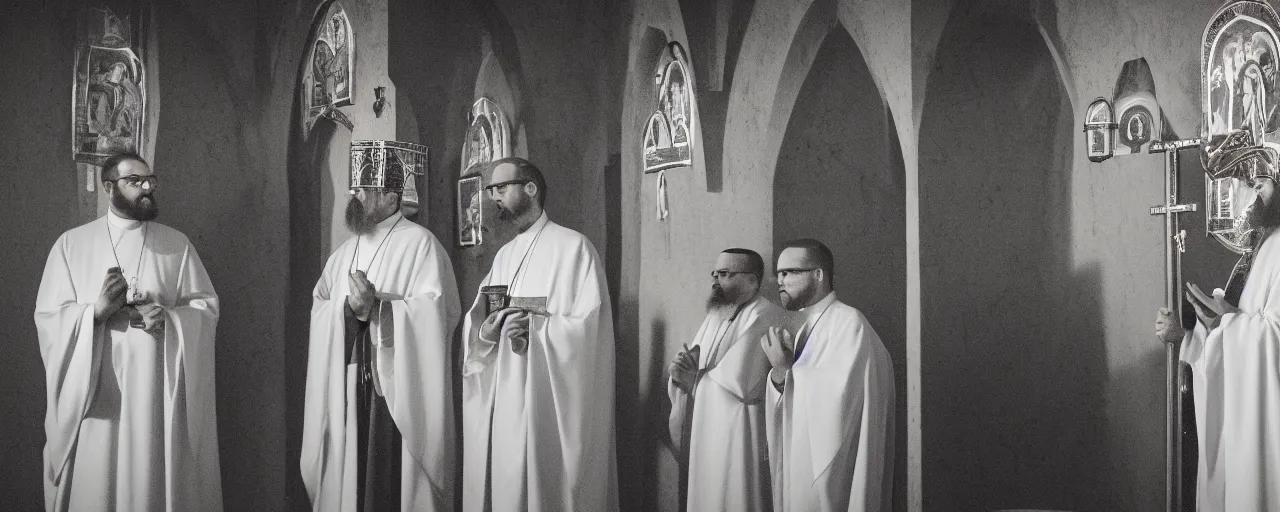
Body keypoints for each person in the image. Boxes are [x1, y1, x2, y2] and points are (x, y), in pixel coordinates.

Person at [35, 152, 222, 511]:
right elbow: (49, 319)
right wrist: (94, 314)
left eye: (150, 180)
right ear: (109, 187)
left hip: (155, 396)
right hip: (97, 399)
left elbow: (205, 310)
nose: (147, 187)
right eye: (135, 181)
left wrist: (169, 319)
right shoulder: (71, 246)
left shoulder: (176, 246)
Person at [301, 151, 461, 511]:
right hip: (347, 382)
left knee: (386, 485)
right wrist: (346, 312)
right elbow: (320, 305)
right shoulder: (343, 253)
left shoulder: (422, 245)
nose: (353, 195)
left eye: (363, 189)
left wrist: (380, 308)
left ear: (391, 198)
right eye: (353, 188)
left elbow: (439, 311)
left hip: (393, 391)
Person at [461, 157, 618, 510]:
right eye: (490, 190)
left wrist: (537, 327)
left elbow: (588, 330)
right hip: (506, 402)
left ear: (530, 189)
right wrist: (488, 333)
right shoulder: (504, 256)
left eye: (501, 188)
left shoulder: (574, 248)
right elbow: (483, 321)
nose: (493, 197)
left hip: (548, 403)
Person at [1157, 170, 1280, 511]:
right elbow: (1239, 334)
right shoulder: (1262, 244)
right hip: (1242, 428)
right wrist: (1189, 336)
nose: (1251, 191)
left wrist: (1224, 321)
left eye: (1262, 183)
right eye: (1250, 183)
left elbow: (1275, 339)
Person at [760, 238, 894, 511]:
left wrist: (787, 371)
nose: (780, 281)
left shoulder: (849, 323)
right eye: (779, 274)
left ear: (818, 274)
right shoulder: (803, 325)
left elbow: (843, 401)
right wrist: (778, 376)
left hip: (834, 472)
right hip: (800, 463)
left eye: (789, 272)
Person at [668, 248, 782, 511]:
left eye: (725, 274)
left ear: (752, 280)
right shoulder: (715, 316)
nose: (715, 280)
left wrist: (694, 382)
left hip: (741, 434)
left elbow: (741, 385)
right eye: (715, 273)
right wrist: (678, 375)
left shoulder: (766, 316)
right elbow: (692, 366)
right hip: (706, 432)